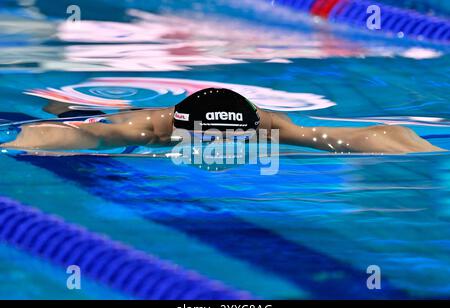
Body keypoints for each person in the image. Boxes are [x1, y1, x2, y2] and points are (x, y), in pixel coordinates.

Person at [0, 88, 443, 154]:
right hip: (100, 117)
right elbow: (44, 133)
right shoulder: (136, 128)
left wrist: (434, 156)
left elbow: (387, 134)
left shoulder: (263, 123)